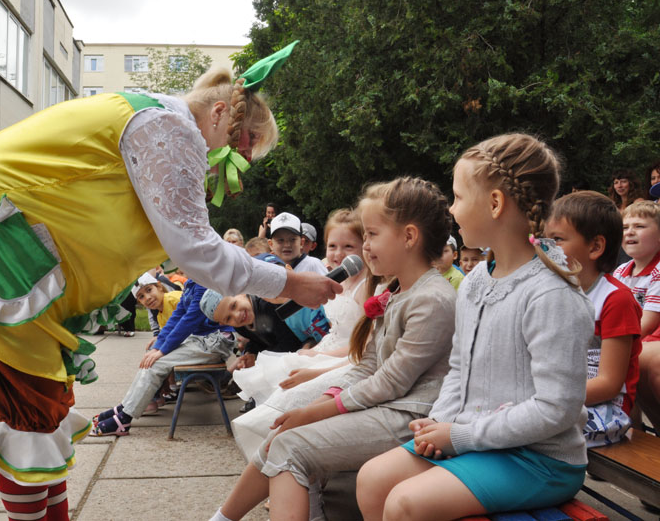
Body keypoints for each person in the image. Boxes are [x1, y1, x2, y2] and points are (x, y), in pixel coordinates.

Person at [0, 43, 340, 520]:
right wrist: (290, 283)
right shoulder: (171, 128)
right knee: (31, 410)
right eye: (240, 147)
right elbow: (196, 251)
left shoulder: (154, 114)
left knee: (42, 406)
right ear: (219, 112)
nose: (233, 162)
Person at [356, 133, 594, 521]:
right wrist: (440, 423)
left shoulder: (552, 294)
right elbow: (460, 368)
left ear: (495, 203)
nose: (452, 209)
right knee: (371, 479)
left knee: (405, 504)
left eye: (459, 197)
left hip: (540, 460)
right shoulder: (478, 280)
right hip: (476, 439)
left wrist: (460, 436)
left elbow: (556, 409)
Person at [210, 177, 456, 521]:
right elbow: (368, 364)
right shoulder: (401, 291)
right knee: (281, 436)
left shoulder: (432, 298)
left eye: (371, 235)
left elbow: (392, 382)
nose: (365, 246)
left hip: (410, 416)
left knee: (289, 446)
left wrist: (315, 412)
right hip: (387, 407)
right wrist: (322, 402)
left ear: (409, 237)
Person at [224, 208, 370, 461]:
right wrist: (311, 351)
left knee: (290, 390)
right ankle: (275, 462)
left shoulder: (367, 287)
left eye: (348, 246)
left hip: (348, 356)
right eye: (333, 245)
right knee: (278, 379)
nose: (338, 254)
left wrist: (315, 357)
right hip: (326, 348)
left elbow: (363, 346)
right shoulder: (339, 279)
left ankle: (283, 460)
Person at [547, 191, 642, 446]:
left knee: (526, 432)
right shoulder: (556, 293)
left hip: (605, 411)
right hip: (561, 400)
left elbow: (609, 384)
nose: (547, 248)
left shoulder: (615, 299)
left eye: (557, 240)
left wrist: (549, 400)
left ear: (595, 247)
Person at [90, 278, 235, 436]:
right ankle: (124, 408)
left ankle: (124, 419)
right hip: (202, 338)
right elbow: (176, 318)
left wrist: (162, 350)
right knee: (151, 356)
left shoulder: (203, 282)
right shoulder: (191, 283)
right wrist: (158, 346)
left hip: (214, 342)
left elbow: (188, 321)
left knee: (156, 362)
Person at [613, 200, 660, 431]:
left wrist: (613, 341)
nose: (630, 231)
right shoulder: (621, 271)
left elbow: (649, 323)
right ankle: (631, 428)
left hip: (650, 337)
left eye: (640, 226)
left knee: (626, 361)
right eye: (624, 227)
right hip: (633, 336)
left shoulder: (659, 270)